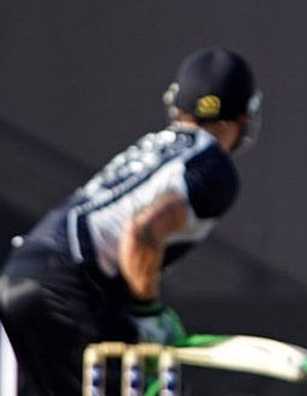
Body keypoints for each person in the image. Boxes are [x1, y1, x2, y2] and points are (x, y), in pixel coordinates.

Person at [0, 47, 262, 395]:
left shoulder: (155, 145)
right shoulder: (212, 167)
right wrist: (148, 313)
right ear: (242, 116)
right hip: (67, 288)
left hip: (18, 274)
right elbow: (141, 233)